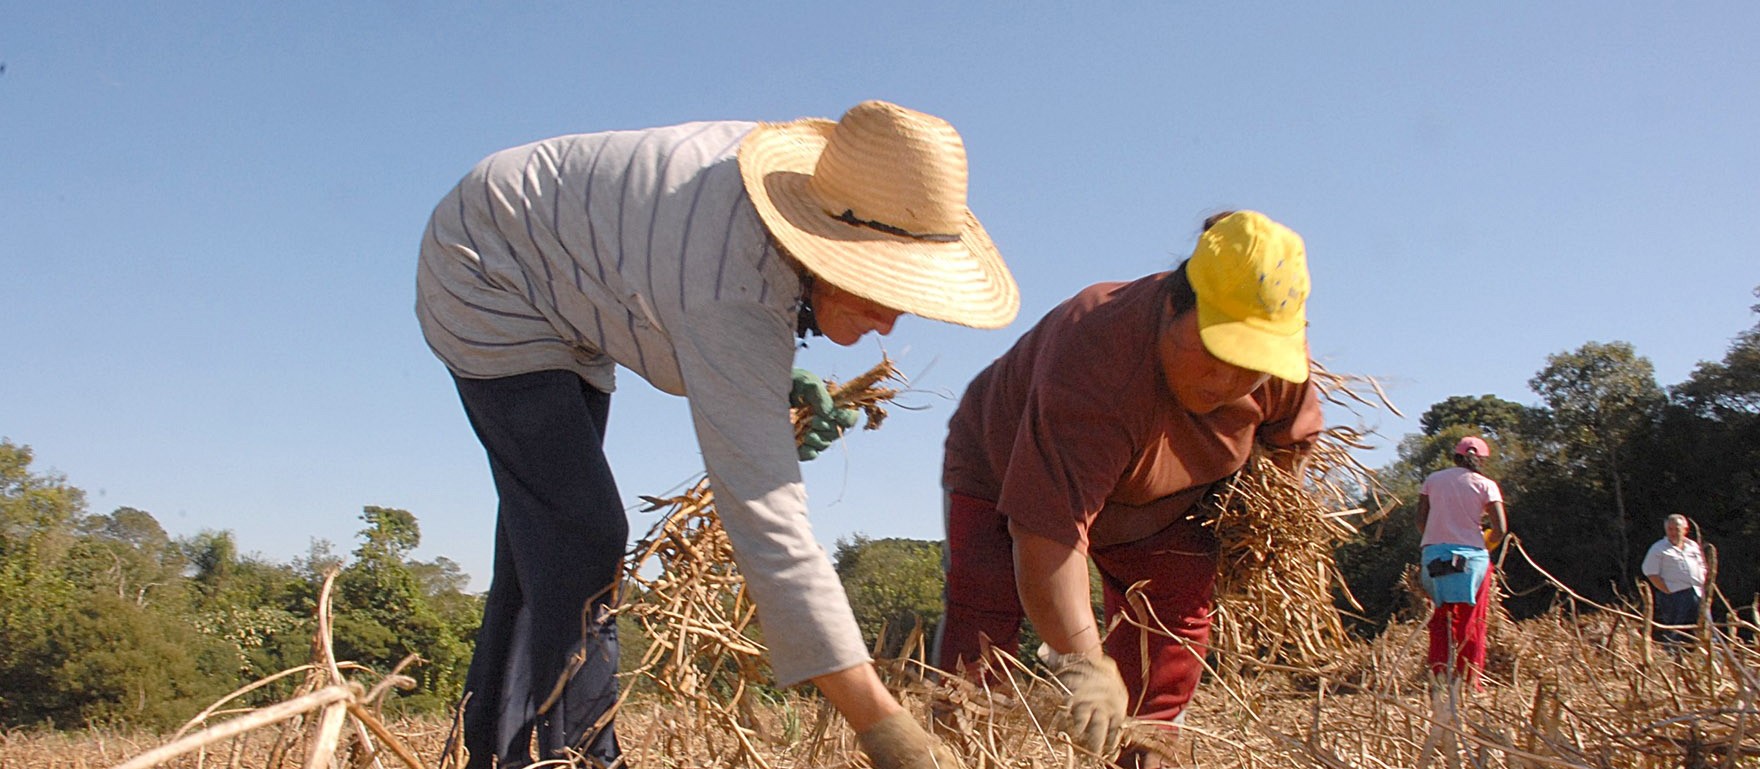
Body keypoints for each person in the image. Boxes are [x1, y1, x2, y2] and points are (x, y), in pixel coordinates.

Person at [416, 100, 1019, 769]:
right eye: (881, 287)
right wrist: (884, 725)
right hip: (489, 268)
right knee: (580, 535)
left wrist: (774, 380)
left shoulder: (779, 225)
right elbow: (769, 526)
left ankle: (493, 751)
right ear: (823, 243)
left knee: (546, 543)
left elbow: (707, 316)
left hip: (563, 276)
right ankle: (581, 758)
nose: (890, 321)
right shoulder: (729, 280)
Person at [934, 211, 1324, 768]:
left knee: (1166, 650)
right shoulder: (1098, 353)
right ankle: (951, 755)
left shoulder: (1283, 370)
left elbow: (1288, 447)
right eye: (1215, 351)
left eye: (1251, 367)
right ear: (1173, 304)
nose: (1226, 382)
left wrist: (1251, 529)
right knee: (980, 635)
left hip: (1164, 503)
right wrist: (1083, 664)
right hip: (1002, 471)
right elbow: (1048, 536)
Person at [1414, 436, 1507, 686]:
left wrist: (1438, 538)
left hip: (1434, 556)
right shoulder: (1486, 485)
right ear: (1481, 460)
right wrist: (1486, 543)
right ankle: (1469, 682)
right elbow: (1500, 529)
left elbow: (1421, 521)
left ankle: (1439, 679)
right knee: (1472, 621)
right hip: (1472, 559)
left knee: (1440, 619)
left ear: (1455, 457)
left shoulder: (1432, 480)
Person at [1642, 513, 1706, 645]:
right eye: (1670, 529)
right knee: (1677, 630)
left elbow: (1702, 565)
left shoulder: (1692, 546)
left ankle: (1701, 657)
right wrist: (1667, 590)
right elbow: (1650, 572)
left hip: (1697, 593)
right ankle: (1674, 656)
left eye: (1676, 529)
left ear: (1685, 530)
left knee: (1701, 627)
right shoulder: (1658, 548)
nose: (1673, 533)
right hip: (1675, 596)